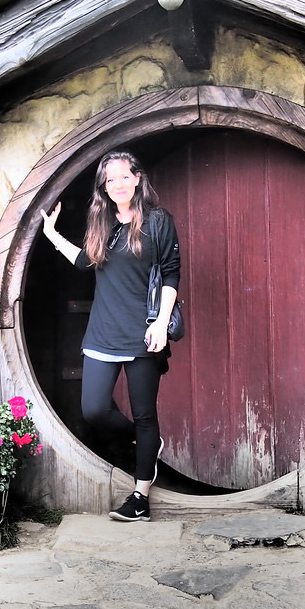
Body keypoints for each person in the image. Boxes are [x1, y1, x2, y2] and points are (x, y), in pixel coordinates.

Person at [40, 150, 181, 522]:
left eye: (123, 177)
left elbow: (171, 274)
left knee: (145, 413)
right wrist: (52, 235)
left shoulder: (158, 221)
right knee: (95, 409)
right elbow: (86, 261)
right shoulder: (102, 221)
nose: (117, 184)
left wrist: (160, 323)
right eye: (110, 180)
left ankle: (140, 497)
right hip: (102, 332)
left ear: (137, 178)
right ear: (104, 186)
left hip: (143, 333)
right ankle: (147, 443)